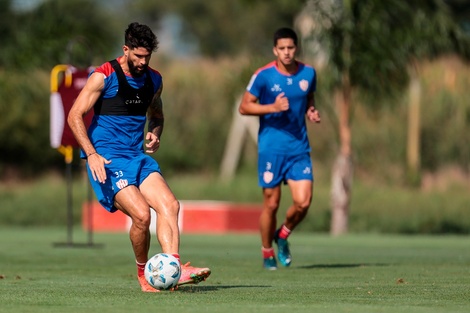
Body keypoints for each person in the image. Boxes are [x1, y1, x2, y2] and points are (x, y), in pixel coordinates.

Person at [68, 22, 211, 292]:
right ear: (126, 49)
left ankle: (175, 268)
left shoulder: (154, 80)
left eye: (148, 57)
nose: (143, 62)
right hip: (107, 160)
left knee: (170, 205)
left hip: (137, 157)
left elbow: (157, 115)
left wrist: (156, 132)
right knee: (142, 217)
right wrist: (92, 154)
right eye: (138, 56)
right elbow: (75, 115)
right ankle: (144, 275)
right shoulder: (104, 75)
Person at [238, 27, 321, 270]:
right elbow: (244, 107)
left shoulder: (309, 73)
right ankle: (267, 253)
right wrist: (272, 107)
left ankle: (283, 235)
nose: (286, 53)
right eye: (282, 48)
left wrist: (310, 110)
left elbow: (308, 97)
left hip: (298, 148)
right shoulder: (263, 76)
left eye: (291, 48)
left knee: (303, 202)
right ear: (275, 50)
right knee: (272, 205)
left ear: (296, 48)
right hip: (271, 149)